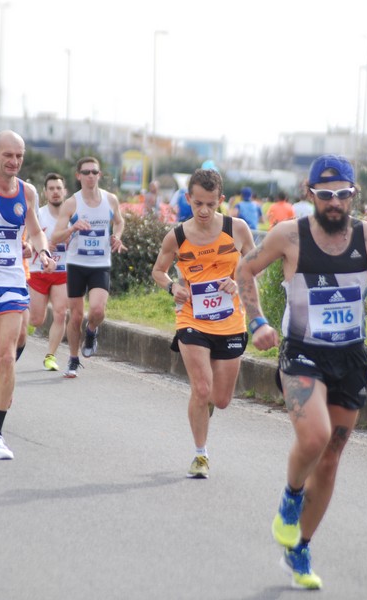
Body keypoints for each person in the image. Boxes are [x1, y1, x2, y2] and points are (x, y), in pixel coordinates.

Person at [236, 154, 367, 590]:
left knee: (329, 463)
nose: (334, 202)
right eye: (325, 195)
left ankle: (300, 545)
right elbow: (244, 268)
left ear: (352, 195)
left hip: (351, 358)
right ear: (310, 195)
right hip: (302, 352)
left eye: (342, 195)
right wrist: (258, 322)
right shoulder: (289, 235)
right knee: (314, 436)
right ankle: (290, 498)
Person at [152, 168, 255, 478]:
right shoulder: (178, 235)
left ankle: (207, 405)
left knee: (220, 400)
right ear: (188, 199)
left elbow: (256, 263)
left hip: (230, 323)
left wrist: (238, 280)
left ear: (221, 200)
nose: (205, 211)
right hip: (192, 319)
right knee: (200, 387)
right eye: (198, 204)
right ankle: (200, 455)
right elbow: (159, 271)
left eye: (211, 204)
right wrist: (173, 287)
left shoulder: (237, 229)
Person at [0, 130, 56, 460]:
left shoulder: (27, 193)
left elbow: (34, 232)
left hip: (11, 278)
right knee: (6, 355)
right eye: (8, 155)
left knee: (11, 351)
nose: (14, 161)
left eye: (19, 156)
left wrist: (42, 251)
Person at [51, 156, 126, 378]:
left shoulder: (110, 200)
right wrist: (73, 228)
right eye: (86, 172)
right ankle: (73, 359)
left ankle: (92, 330)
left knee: (97, 310)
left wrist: (117, 236)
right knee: (75, 317)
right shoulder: (72, 203)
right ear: (78, 176)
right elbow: (55, 236)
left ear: (99, 175)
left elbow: (120, 221)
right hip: (75, 264)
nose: (91, 176)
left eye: (94, 172)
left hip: (100, 264)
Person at [28, 173, 69, 371]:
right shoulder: (39, 215)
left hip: (63, 271)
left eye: (58, 188)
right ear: (45, 193)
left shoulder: (72, 216)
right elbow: (27, 241)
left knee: (61, 313)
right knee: (37, 319)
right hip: (38, 271)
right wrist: (43, 248)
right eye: (51, 189)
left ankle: (50, 356)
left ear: (65, 191)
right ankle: (23, 329)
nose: (55, 192)